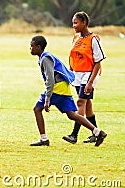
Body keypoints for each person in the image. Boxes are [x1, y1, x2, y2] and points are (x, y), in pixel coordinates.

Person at [29, 35, 106, 147]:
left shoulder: (45, 59)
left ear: (38, 47)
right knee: (71, 115)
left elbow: (50, 80)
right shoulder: (46, 56)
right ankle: (98, 132)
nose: (30, 48)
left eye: (32, 46)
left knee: (37, 109)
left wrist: (47, 100)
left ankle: (44, 139)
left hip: (56, 88)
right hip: (63, 87)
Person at [62, 11, 106, 144]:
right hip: (77, 74)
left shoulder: (93, 39)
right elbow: (73, 56)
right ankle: (95, 133)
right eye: (73, 23)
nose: (74, 26)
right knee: (87, 105)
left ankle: (74, 135)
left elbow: (98, 62)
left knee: (81, 102)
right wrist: (70, 72)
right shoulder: (76, 38)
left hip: (89, 74)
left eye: (76, 23)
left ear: (84, 23)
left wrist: (90, 82)